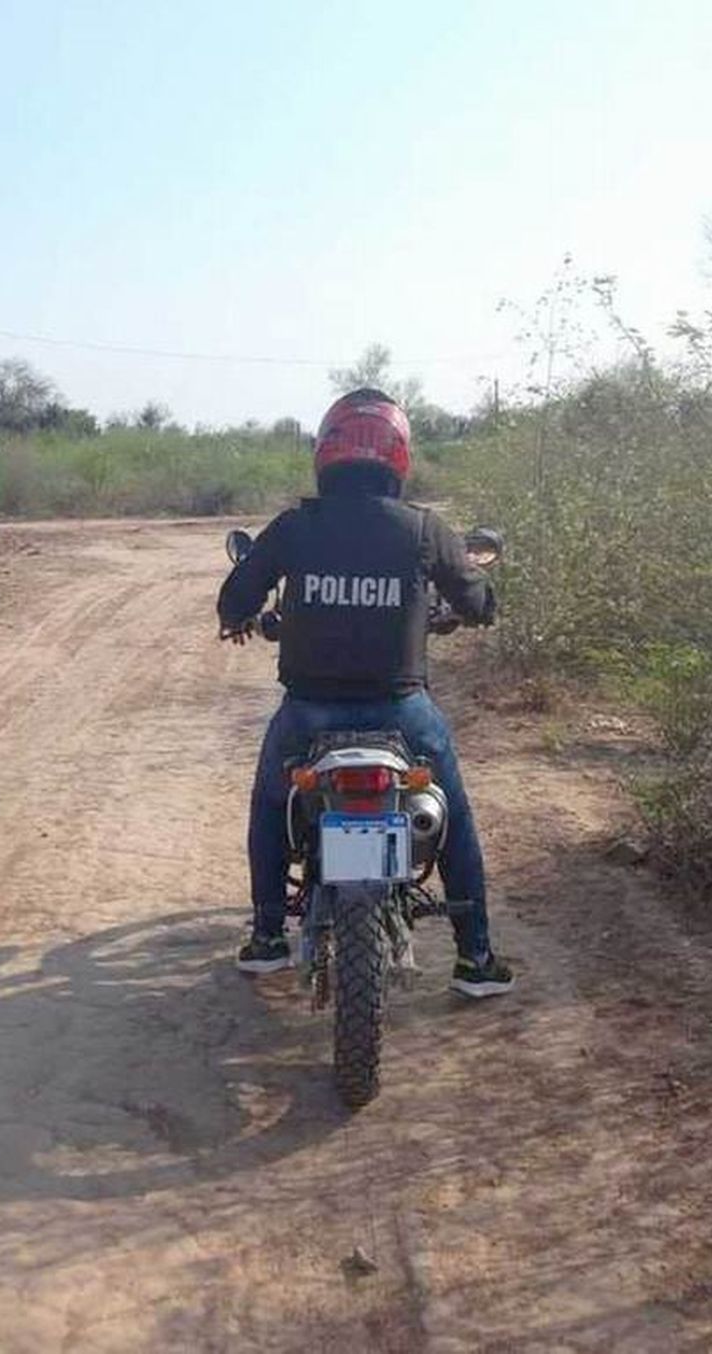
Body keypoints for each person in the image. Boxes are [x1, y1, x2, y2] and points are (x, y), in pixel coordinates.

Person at [217, 388, 513, 998]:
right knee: (454, 817)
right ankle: (476, 958)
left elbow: (234, 601)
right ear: (398, 456)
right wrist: (479, 596)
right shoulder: (423, 528)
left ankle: (269, 937)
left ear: (326, 453)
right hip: (402, 713)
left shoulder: (296, 527)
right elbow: (477, 600)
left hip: (308, 713)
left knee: (271, 805)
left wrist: (243, 616)